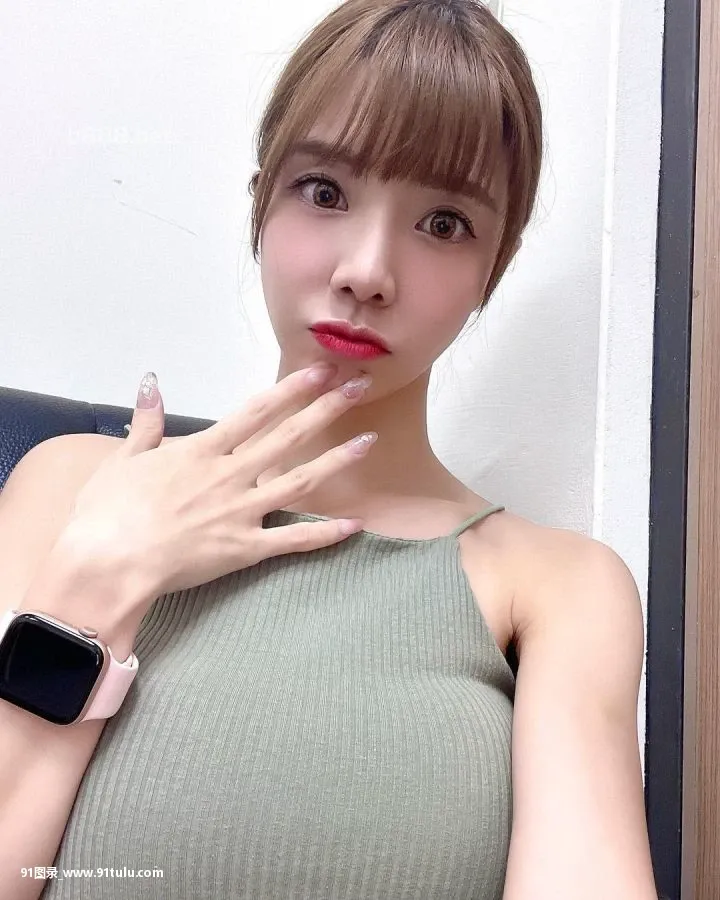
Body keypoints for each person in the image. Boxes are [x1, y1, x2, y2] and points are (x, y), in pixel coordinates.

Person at [0, 1, 659, 898]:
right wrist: (95, 585)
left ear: (490, 271)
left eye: (444, 223)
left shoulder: (558, 587)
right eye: (324, 191)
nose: (366, 271)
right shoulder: (73, 485)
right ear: (260, 205)